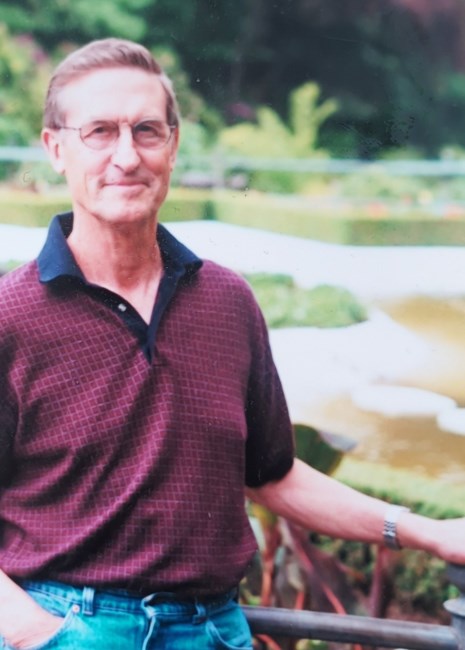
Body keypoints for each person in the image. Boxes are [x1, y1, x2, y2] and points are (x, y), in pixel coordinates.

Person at [0, 37, 464, 650]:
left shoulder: (227, 302)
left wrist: (430, 531)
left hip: (214, 630)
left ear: (173, 146)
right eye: (99, 132)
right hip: (69, 624)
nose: (126, 156)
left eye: (146, 131)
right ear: (56, 148)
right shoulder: (11, 317)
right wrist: (38, 635)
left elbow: (273, 476)